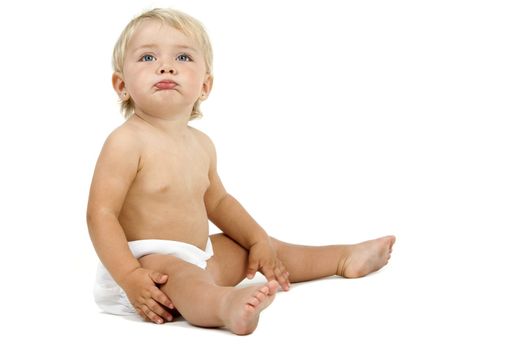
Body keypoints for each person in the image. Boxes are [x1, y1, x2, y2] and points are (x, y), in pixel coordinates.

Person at [87, 8, 395, 335]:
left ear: (204, 86)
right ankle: (226, 306)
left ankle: (342, 258)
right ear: (121, 85)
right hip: (146, 269)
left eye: (183, 57)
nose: (166, 65)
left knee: (257, 250)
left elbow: (218, 202)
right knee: (182, 275)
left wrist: (257, 238)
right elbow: (100, 214)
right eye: (148, 57)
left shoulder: (201, 144)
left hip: (200, 256)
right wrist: (129, 276)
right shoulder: (126, 142)